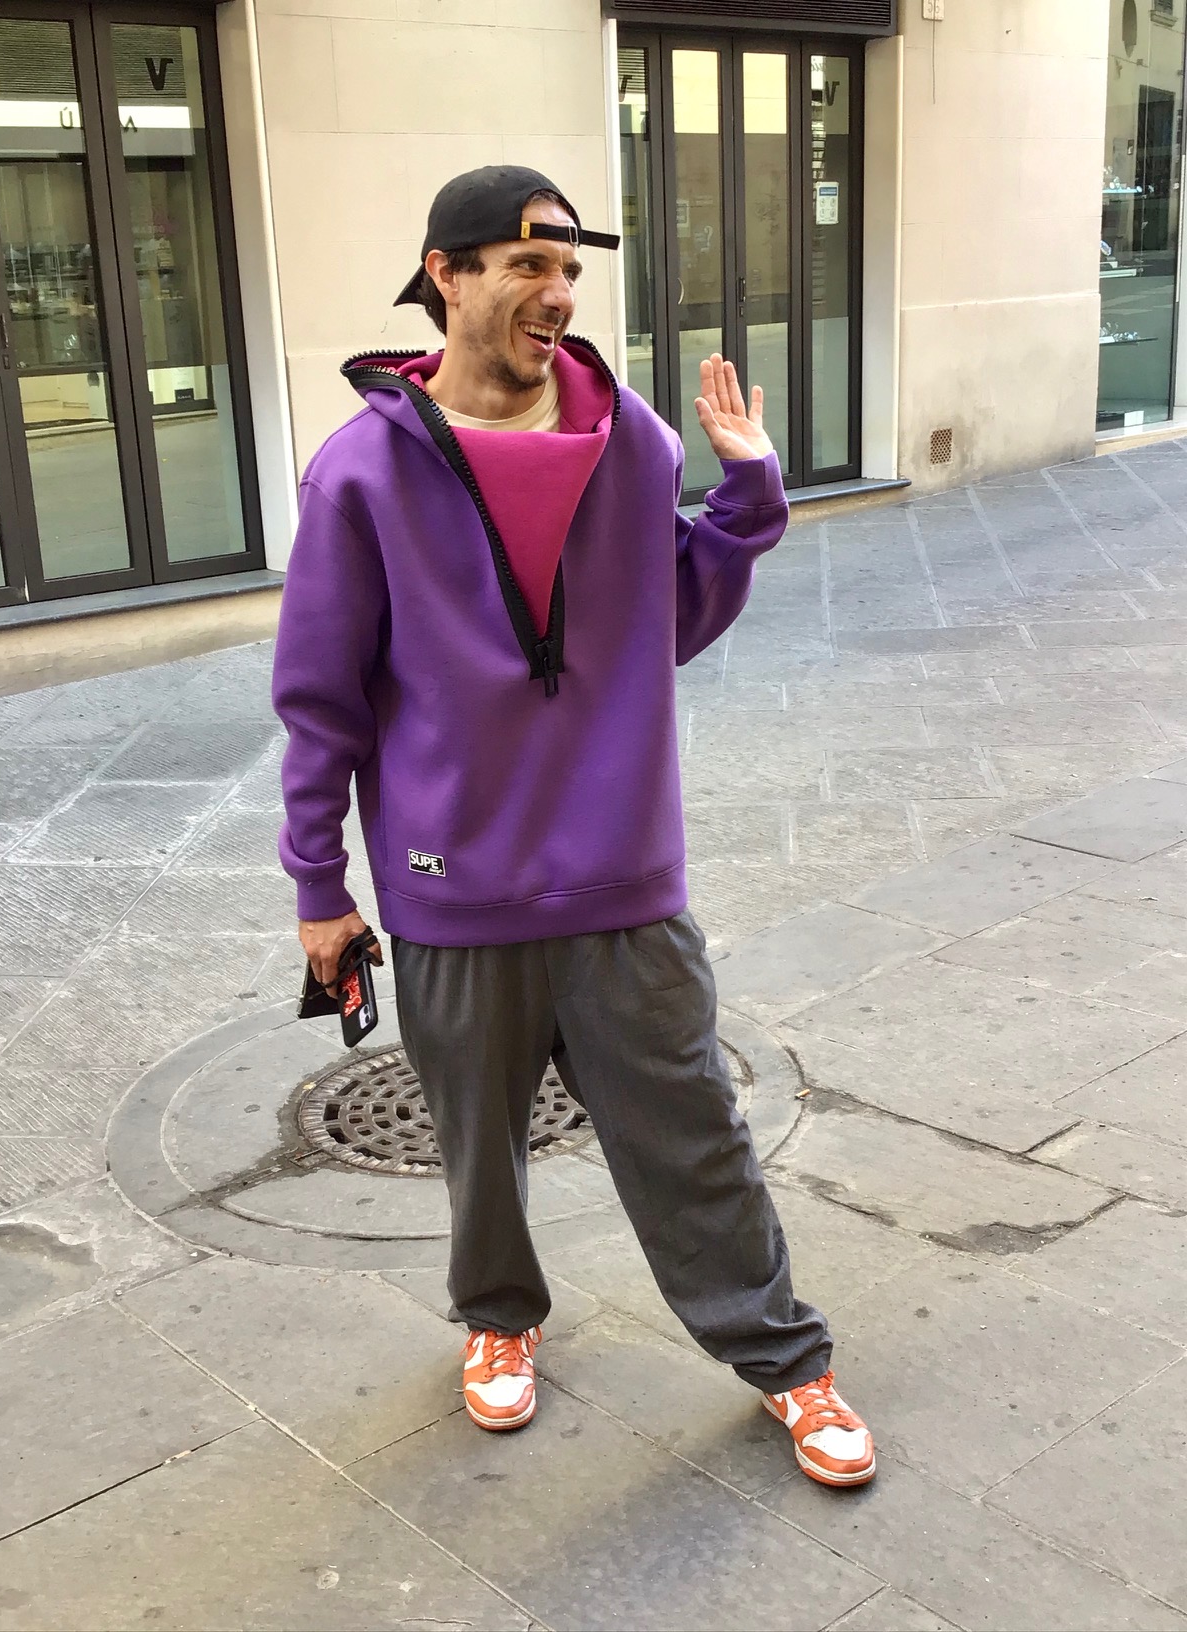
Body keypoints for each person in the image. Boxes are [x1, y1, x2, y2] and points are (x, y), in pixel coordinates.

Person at [272, 166, 875, 1488]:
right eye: (528, 265)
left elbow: (663, 623)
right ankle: (498, 1319)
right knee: (476, 1151)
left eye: (570, 272)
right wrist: (319, 880)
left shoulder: (632, 441)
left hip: (622, 874)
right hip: (449, 881)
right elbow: (320, 696)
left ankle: (784, 1357)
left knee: (694, 1136)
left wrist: (748, 501)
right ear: (446, 275)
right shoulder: (361, 470)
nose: (557, 294)